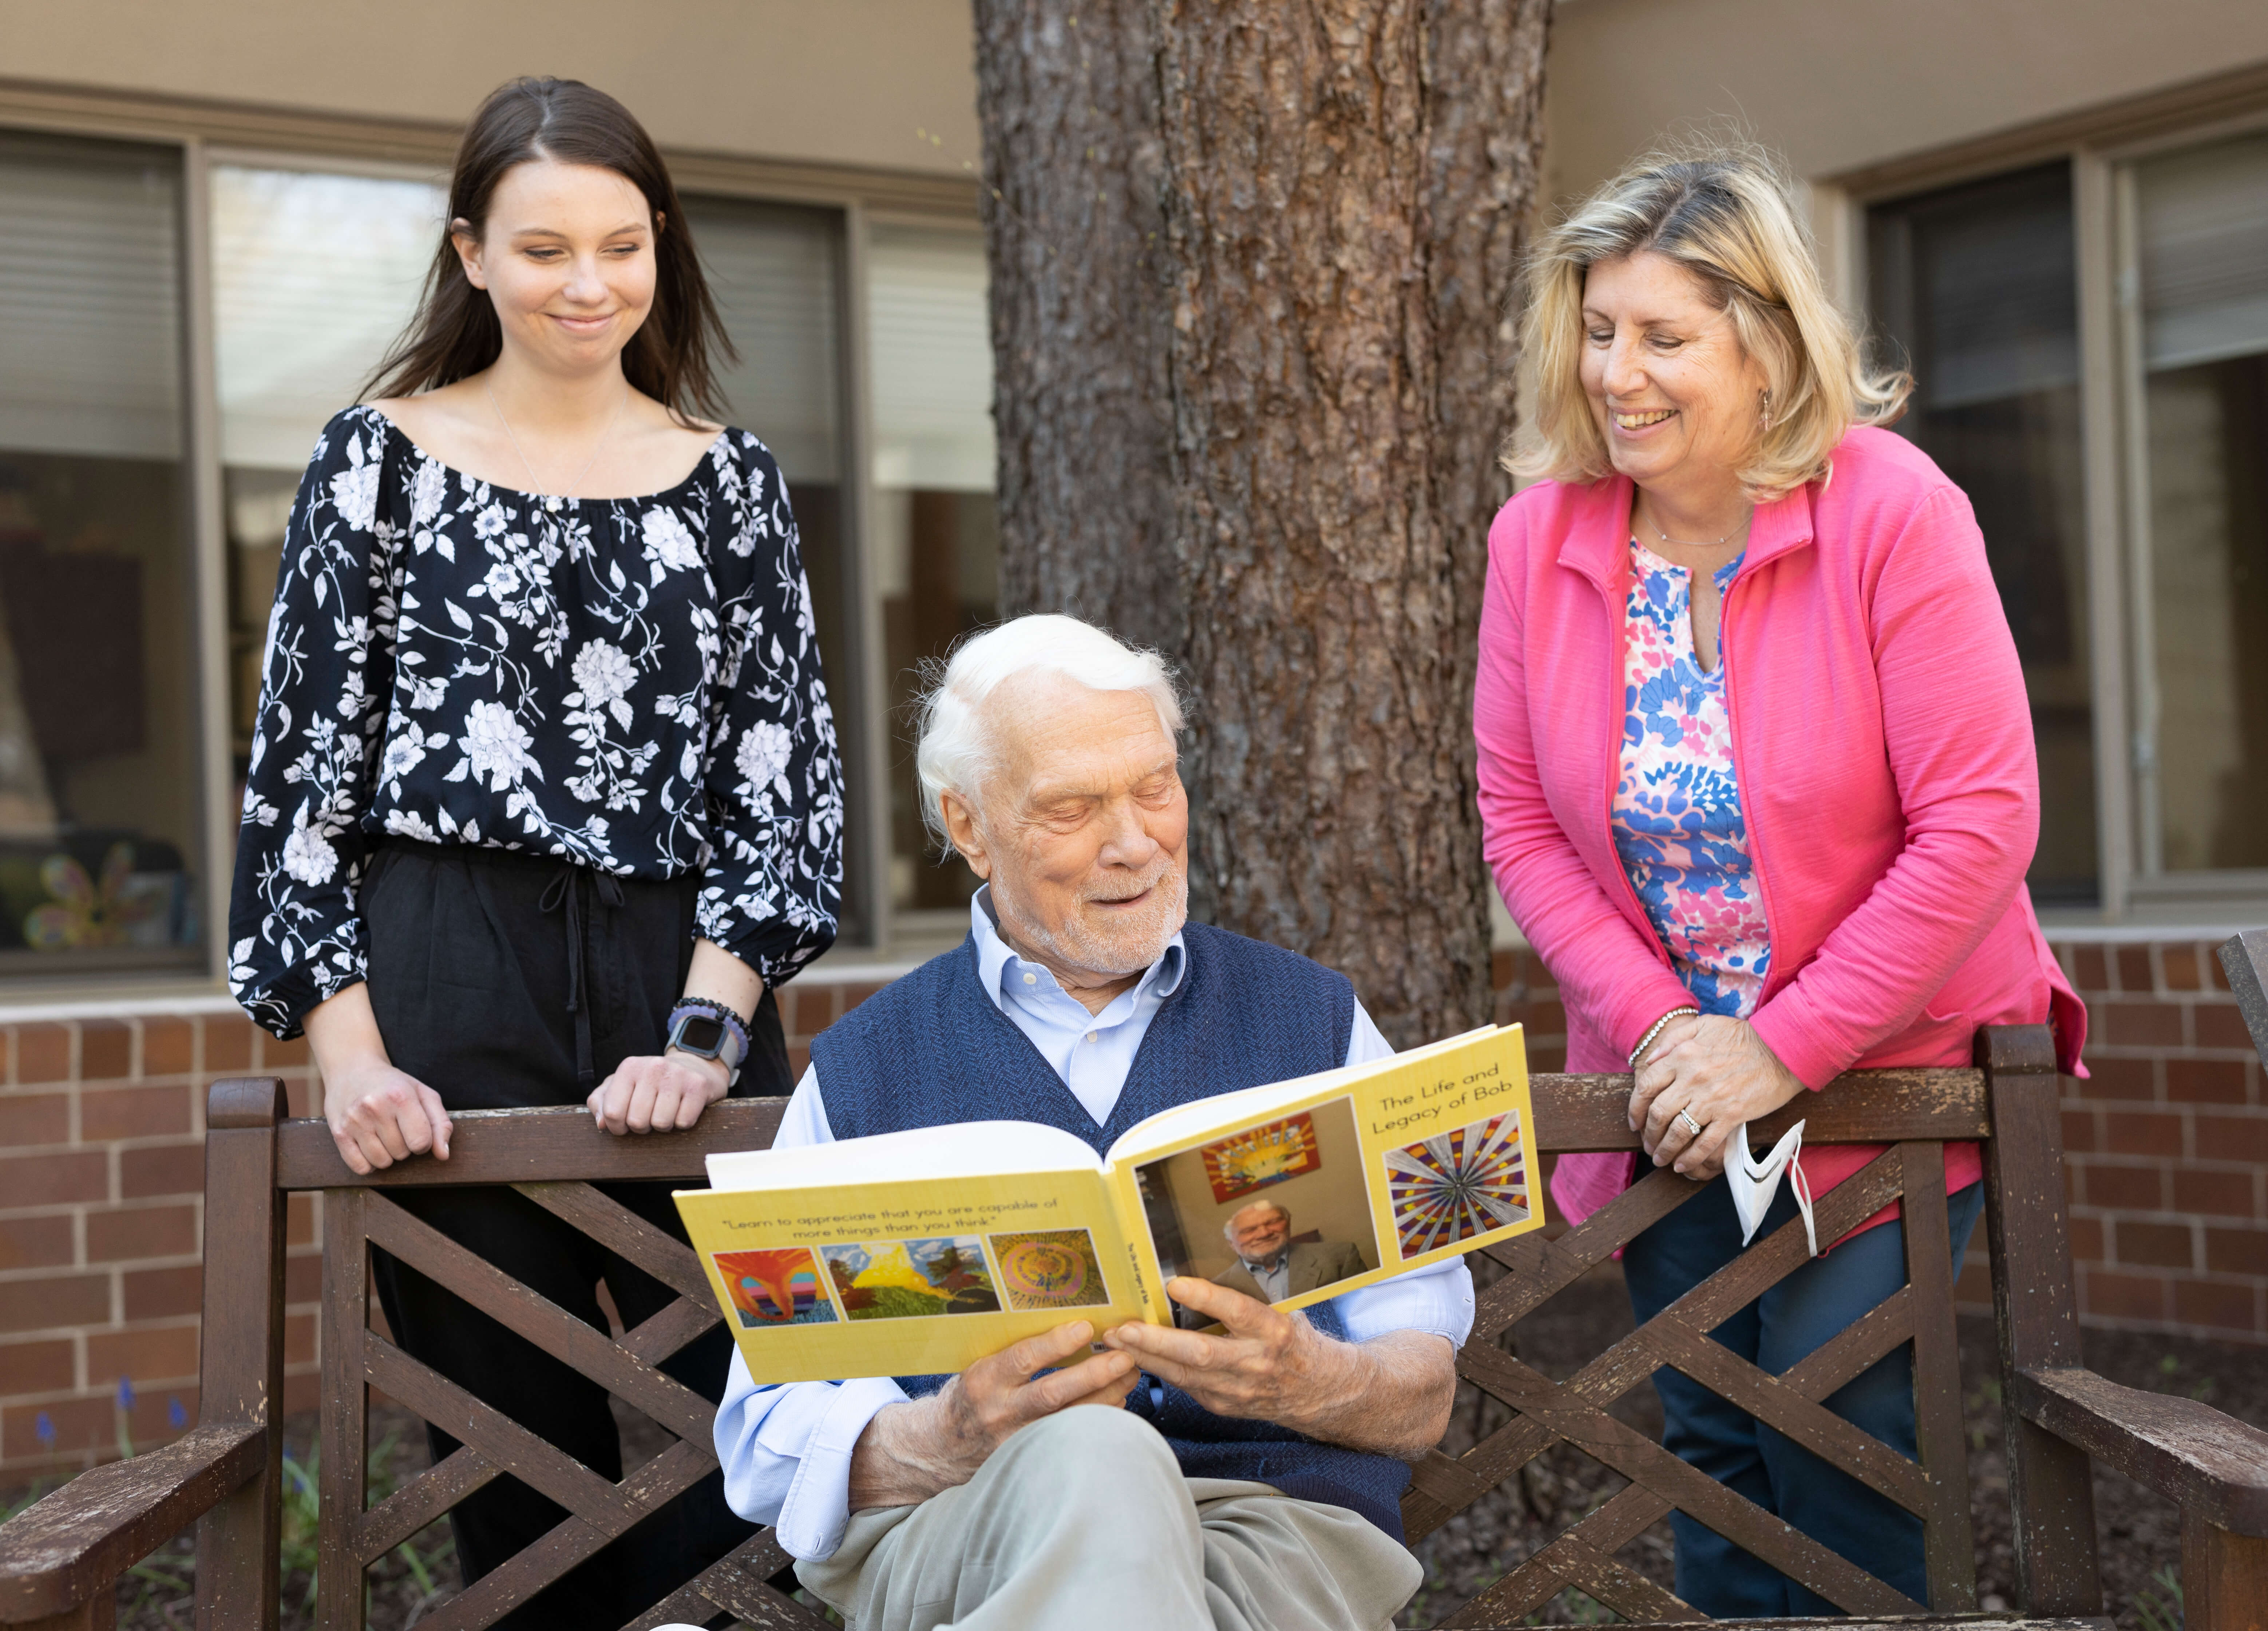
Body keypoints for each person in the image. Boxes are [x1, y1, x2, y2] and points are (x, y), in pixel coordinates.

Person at [226, 77, 842, 1627]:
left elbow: (784, 786)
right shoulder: (374, 461)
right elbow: (301, 779)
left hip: (681, 966)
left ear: (660, 250)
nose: (591, 284)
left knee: (764, 1422)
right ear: (472, 257)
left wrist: (709, 1032)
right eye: (547, 246)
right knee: (517, 1459)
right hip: (444, 973)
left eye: (624, 245)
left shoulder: (736, 482)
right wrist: (350, 1061)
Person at [1472, 142, 2086, 1616]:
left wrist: (1779, 1046)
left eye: (1664, 337)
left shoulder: (1890, 506)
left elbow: (1978, 824)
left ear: (1761, 341)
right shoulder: (1540, 534)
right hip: (1671, 1089)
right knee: (1706, 1449)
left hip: (1885, 1072)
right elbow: (1520, 825)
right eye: (1600, 332)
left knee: (1843, 1443)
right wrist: (1671, 1033)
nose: (1620, 373)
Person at [713, 614, 1473, 1631]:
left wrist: (1305, 1380)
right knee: (1094, 1454)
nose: (1133, 842)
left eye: (1153, 787)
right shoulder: (865, 1069)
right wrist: (941, 1434)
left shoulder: (1315, 1023)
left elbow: (1417, 1394)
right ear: (968, 825)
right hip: (968, 1531)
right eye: (1071, 807)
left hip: (1269, 1532)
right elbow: (763, 1437)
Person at [1211, 1200, 1371, 1302]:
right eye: (1249, 1230)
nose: (1264, 1234)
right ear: (1232, 1244)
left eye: (1273, 1222)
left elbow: (1369, 1308)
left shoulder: (1341, 1257)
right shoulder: (1216, 1290)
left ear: (1288, 1225)